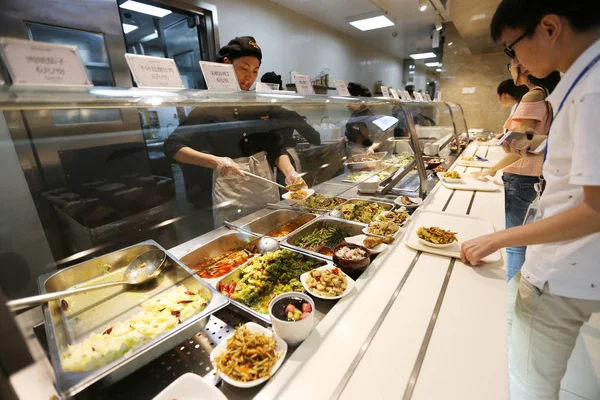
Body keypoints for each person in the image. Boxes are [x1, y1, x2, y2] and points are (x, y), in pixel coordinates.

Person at [461, 1, 600, 398]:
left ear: (550, 27)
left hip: (563, 268)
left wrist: (499, 238)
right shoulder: (581, 80)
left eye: (512, 47)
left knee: (529, 386)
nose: (515, 60)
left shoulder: (592, 88)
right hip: (569, 263)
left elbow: (596, 208)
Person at [164, 36, 320, 228]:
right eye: (244, 69)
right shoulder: (209, 106)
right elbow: (172, 147)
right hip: (232, 187)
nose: (250, 77)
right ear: (226, 65)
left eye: (255, 71)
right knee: (237, 241)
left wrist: (291, 174)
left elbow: (275, 147)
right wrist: (217, 162)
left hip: (265, 183)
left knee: (274, 229)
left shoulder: (257, 103)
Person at [478, 68, 559, 282]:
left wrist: (493, 167)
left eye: (513, 63)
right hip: (531, 178)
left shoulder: (532, 95)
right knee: (518, 241)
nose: (511, 67)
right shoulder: (546, 97)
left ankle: (511, 298)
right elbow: (528, 141)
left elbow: (523, 145)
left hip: (521, 177)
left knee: (513, 245)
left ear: (524, 68)